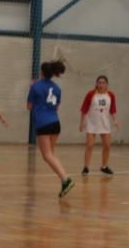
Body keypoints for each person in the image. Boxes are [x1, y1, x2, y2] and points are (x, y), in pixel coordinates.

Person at [27, 60, 75, 197]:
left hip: (43, 123)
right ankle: (64, 181)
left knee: (47, 156)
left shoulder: (35, 87)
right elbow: (57, 107)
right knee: (51, 155)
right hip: (55, 122)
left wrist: (32, 88)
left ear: (42, 72)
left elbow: (29, 107)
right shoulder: (57, 88)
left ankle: (66, 179)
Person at [79, 75, 118, 176]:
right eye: (99, 82)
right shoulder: (91, 94)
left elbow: (113, 109)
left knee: (107, 145)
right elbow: (84, 109)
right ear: (96, 84)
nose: (101, 84)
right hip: (92, 123)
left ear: (106, 84)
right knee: (90, 145)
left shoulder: (111, 95)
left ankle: (104, 166)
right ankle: (86, 167)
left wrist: (115, 120)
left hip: (104, 124)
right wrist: (82, 122)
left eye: (103, 82)